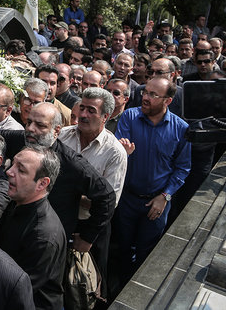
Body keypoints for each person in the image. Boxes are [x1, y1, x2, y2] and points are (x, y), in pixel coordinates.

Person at [0, 103, 116, 258]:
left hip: (47, 245)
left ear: (56, 131)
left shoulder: (73, 163)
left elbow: (107, 196)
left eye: (40, 125)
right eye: (29, 122)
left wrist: (87, 237)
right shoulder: (23, 140)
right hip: (12, 233)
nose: (31, 129)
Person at [115, 78, 190, 281]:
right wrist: (123, 153)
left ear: (168, 101)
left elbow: (182, 168)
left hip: (157, 202)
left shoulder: (181, 128)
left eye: (152, 95)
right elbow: (117, 154)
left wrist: (165, 196)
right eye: (145, 92)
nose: (145, 98)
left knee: (146, 253)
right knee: (121, 247)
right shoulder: (129, 117)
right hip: (127, 199)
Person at [58, 88, 127, 300]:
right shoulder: (62, 136)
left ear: (106, 116)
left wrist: (65, 193)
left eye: (91, 110)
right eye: (82, 108)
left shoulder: (115, 152)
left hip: (90, 229)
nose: (84, 115)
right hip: (59, 220)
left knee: (86, 284)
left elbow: (108, 202)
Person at [0, 145, 66, 310]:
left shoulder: (44, 235)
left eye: (21, 170)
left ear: (42, 183)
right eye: (13, 164)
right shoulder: (16, 203)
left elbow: (19, 290)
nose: (9, 172)